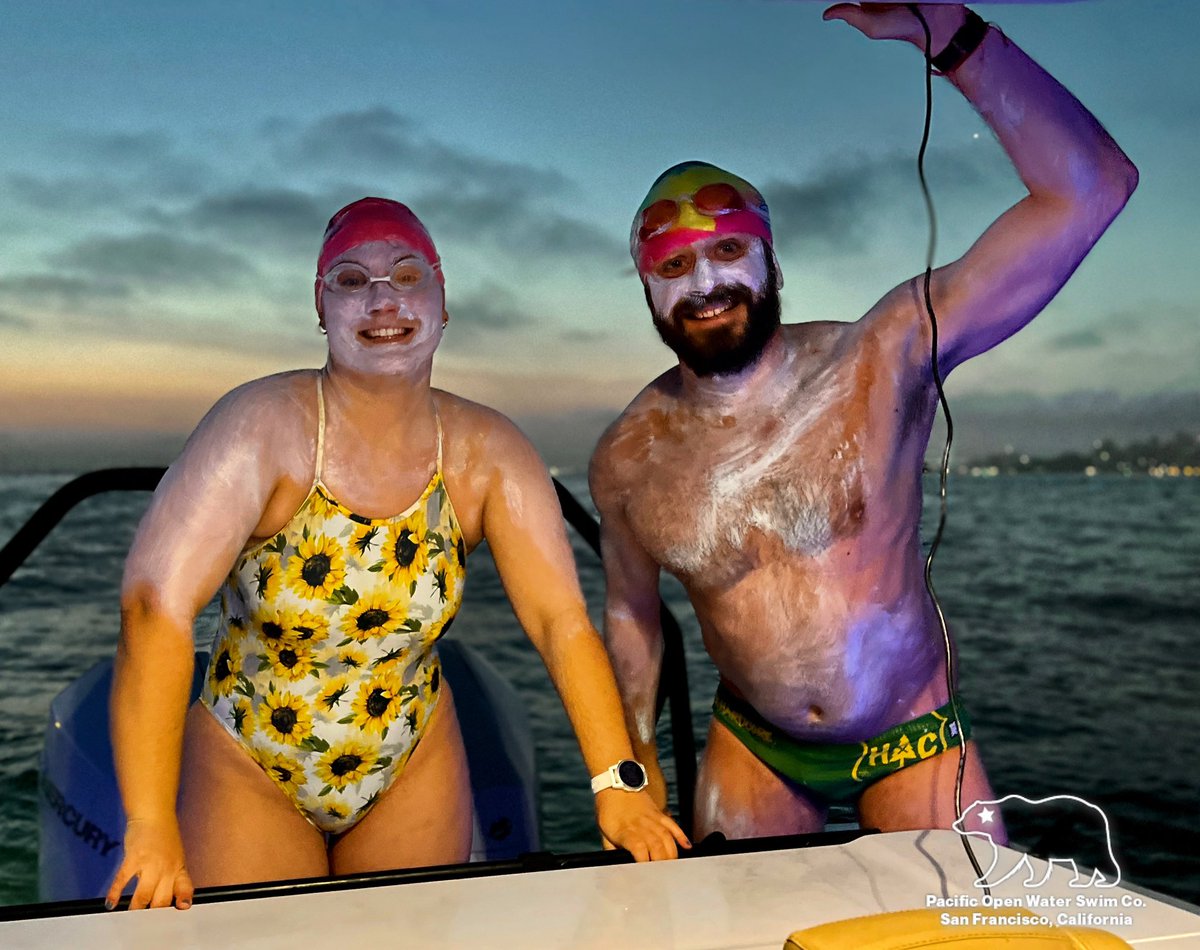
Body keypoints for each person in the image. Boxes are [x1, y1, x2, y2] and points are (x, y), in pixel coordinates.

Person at [589, 3, 1137, 843]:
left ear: (772, 260)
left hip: (913, 736)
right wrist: (637, 761)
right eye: (674, 265)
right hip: (755, 745)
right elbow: (630, 612)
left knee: (972, 933)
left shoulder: (881, 357)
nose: (705, 282)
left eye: (729, 251)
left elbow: (1092, 187)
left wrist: (953, 36)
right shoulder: (628, 457)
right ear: (648, 291)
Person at [108, 197, 689, 911]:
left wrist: (617, 785)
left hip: (409, 758)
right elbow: (154, 606)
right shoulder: (261, 426)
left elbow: (560, 622)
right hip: (250, 760)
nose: (383, 297)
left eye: (408, 274)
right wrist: (150, 825)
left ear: (443, 302)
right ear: (321, 309)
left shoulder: (488, 452)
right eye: (351, 280)